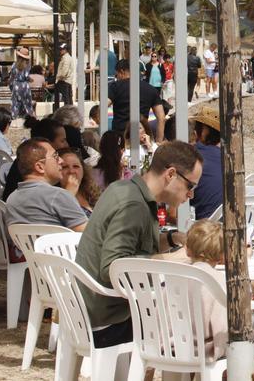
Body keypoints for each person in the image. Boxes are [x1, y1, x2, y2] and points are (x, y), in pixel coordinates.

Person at [76, 140, 203, 348]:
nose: (191, 194)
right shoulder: (134, 204)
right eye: (190, 186)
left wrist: (171, 239)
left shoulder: (125, 188)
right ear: (170, 174)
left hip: (94, 311)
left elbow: (135, 247)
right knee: (194, 327)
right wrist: (175, 258)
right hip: (109, 322)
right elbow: (113, 267)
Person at [4, 138, 88, 230]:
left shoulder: (12, 199)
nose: (61, 160)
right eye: (55, 156)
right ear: (40, 167)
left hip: (28, 244)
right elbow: (89, 235)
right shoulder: (58, 196)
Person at [181, 220, 230, 360]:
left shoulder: (174, 275)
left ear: (187, 249)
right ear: (222, 255)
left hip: (171, 346)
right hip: (205, 350)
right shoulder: (219, 280)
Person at [108, 59, 167, 143]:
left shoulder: (115, 86)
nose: (117, 78)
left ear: (122, 71)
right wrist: (158, 142)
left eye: (116, 75)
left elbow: (103, 106)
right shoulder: (151, 89)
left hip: (120, 137)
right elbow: (161, 118)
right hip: (141, 137)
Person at [189, 105, 225, 220]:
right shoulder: (228, 159)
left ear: (199, 132)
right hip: (225, 222)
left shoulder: (191, 157)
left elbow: (174, 214)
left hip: (202, 228)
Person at [59, 148, 100, 214]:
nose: (71, 171)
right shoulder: (53, 198)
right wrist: (69, 194)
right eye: (64, 167)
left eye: (76, 166)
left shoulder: (92, 193)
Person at [9, 47, 34, 123]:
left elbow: (11, 77)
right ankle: (27, 116)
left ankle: (14, 117)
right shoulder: (27, 65)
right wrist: (30, 80)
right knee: (27, 102)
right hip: (24, 86)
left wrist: (11, 86)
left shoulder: (14, 65)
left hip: (16, 85)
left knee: (15, 102)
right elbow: (26, 76)